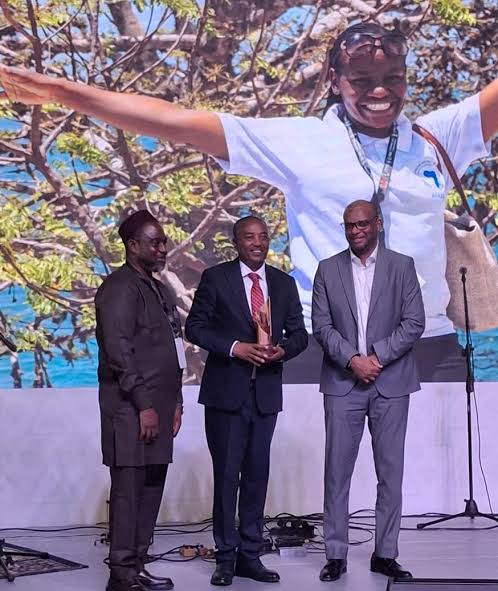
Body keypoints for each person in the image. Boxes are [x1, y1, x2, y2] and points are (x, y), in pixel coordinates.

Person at [1, 21, 495, 382]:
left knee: (437, 487)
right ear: (334, 80)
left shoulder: (436, 137)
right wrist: (62, 92)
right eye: (361, 80)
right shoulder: (300, 141)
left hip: (427, 344)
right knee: (321, 487)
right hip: (327, 347)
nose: (381, 91)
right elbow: (174, 122)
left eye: (393, 77)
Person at [185, 215, 307, 586]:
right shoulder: (216, 278)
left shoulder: (284, 284)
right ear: (236, 242)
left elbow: (300, 335)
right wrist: (236, 347)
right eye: (249, 237)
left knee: (256, 477)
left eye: (263, 236)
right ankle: (225, 557)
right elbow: (195, 327)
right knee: (227, 477)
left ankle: (250, 556)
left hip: (265, 394)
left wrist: (282, 350)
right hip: (226, 395)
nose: (258, 243)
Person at [312, 199, 424, 582]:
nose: (356, 231)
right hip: (343, 383)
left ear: (377, 224)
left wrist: (376, 357)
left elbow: (414, 322)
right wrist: (352, 361)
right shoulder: (327, 269)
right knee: (336, 473)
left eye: (362, 224)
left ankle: (385, 554)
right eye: (349, 226)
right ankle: (335, 555)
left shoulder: (402, 266)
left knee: (390, 474)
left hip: (391, 382)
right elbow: (322, 326)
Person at [95, 210, 184, 591]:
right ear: (132, 246)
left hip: (160, 409)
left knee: (151, 488)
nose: (162, 248)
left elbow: (174, 349)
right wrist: (145, 405)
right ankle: (120, 573)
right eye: (154, 242)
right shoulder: (118, 288)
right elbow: (119, 353)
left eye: (163, 241)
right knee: (129, 491)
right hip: (131, 409)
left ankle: (138, 564)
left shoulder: (159, 289)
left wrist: (176, 402)